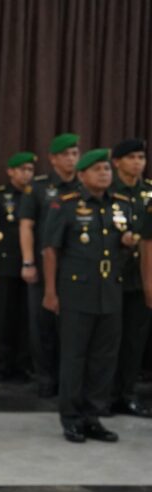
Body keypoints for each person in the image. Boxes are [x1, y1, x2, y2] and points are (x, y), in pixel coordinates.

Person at [42, 148, 135, 443]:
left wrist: (128, 241)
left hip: (110, 292)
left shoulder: (121, 204)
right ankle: (71, 418)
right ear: (82, 175)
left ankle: (94, 416)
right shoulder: (66, 204)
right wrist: (50, 291)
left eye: (107, 170)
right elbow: (51, 250)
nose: (104, 174)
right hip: (76, 293)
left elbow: (124, 243)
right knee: (74, 357)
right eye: (97, 170)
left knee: (104, 358)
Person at [19, 133, 81, 397]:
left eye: (75, 153)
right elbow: (26, 225)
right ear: (53, 158)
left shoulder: (84, 186)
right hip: (44, 267)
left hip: (76, 270)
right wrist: (28, 261)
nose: (72, 158)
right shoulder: (39, 187)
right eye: (66, 154)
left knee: (73, 328)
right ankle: (46, 379)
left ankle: (69, 382)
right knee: (42, 325)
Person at [109, 138, 152, 417]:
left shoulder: (149, 193)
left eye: (141, 157)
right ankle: (104, 395)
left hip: (140, 277)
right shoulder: (107, 191)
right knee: (108, 341)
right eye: (132, 157)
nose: (138, 162)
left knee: (135, 340)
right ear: (117, 162)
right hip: (111, 276)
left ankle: (127, 394)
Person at [0, 152, 37, 382]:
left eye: (30, 169)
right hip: (5, 265)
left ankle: (22, 366)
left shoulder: (35, 195)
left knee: (26, 319)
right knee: (3, 318)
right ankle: (1, 365)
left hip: (29, 266)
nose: (27, 174)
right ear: (11, 171)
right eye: (22, 169)